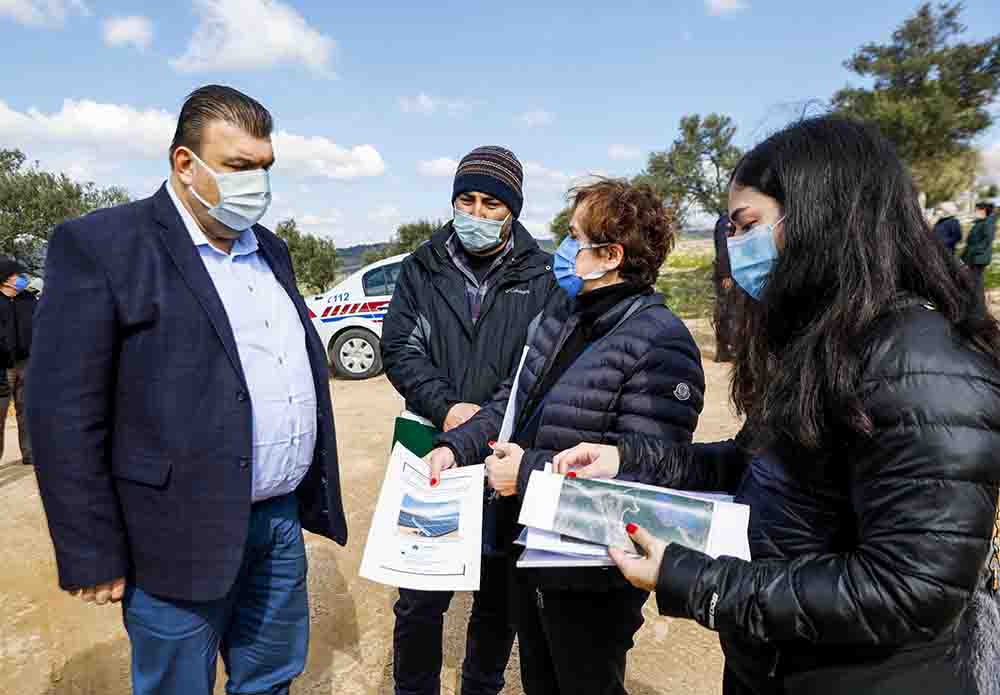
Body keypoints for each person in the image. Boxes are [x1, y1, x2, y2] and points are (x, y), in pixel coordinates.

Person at [554, 116, 1000, 695]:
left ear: (823, 219)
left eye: (747, 227)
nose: (735, 250)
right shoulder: (828, 340)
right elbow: (754, 463)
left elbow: (909, 590)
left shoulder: (922, 366)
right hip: (779, 661)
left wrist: (695, 580)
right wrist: (625, 460)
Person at [27, 85, 347, 695]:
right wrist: (90, 547)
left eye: (265, 167)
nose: (256, 182)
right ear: (184, 163)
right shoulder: (103, 246)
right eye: (238, 167)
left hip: (276, 520)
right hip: (173, 529)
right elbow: (62, 412)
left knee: (271, 675)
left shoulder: (269, 250)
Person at [428, 178, 705, 695]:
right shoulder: (563, 313)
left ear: (610, 254)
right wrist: (455, 445)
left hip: (592, 575)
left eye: (574, 236)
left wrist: (527, 474)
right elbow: (511, 401)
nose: (564, 247)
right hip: (532, 549)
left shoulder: (661, 343)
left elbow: (644, 476)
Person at [381, 145, 556, 695]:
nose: (476, 214)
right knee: (418, 599)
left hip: (506, 455)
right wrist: (448, 408)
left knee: (498, 596)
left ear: (514, 210)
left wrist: (491, 421)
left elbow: (543, 359)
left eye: (492, 204)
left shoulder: (545, 274)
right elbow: (400, 350)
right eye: (467, 199)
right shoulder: (421, 267)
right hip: (431, 447)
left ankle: (481, 686)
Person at [0, 256, 36, 465]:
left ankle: (30, 454)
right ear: (5, 279)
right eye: (17, 275)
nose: (22, 278)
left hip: (27, 363)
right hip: (2, 367)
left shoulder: (29, 300)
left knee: (27, 411)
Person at [713, 213, 738, 362]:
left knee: (728, 310)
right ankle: (726, 349)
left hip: (732, 271)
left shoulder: (726, 220)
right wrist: (726, 274)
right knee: (728, 311)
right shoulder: (726, 222)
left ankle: (726, 349)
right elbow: (724, 249)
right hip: (727, 273)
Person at [962, 202, 996, 304]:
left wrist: (973, 251)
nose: (975, 212)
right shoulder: (980, 222)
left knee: (977, 282)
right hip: (974, 257)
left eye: (977, 209)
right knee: (975, 281)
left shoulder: (987, 223)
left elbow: (986, 242)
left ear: (983, 210)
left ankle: (977, 304)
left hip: (979, 258)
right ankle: (975, 302)